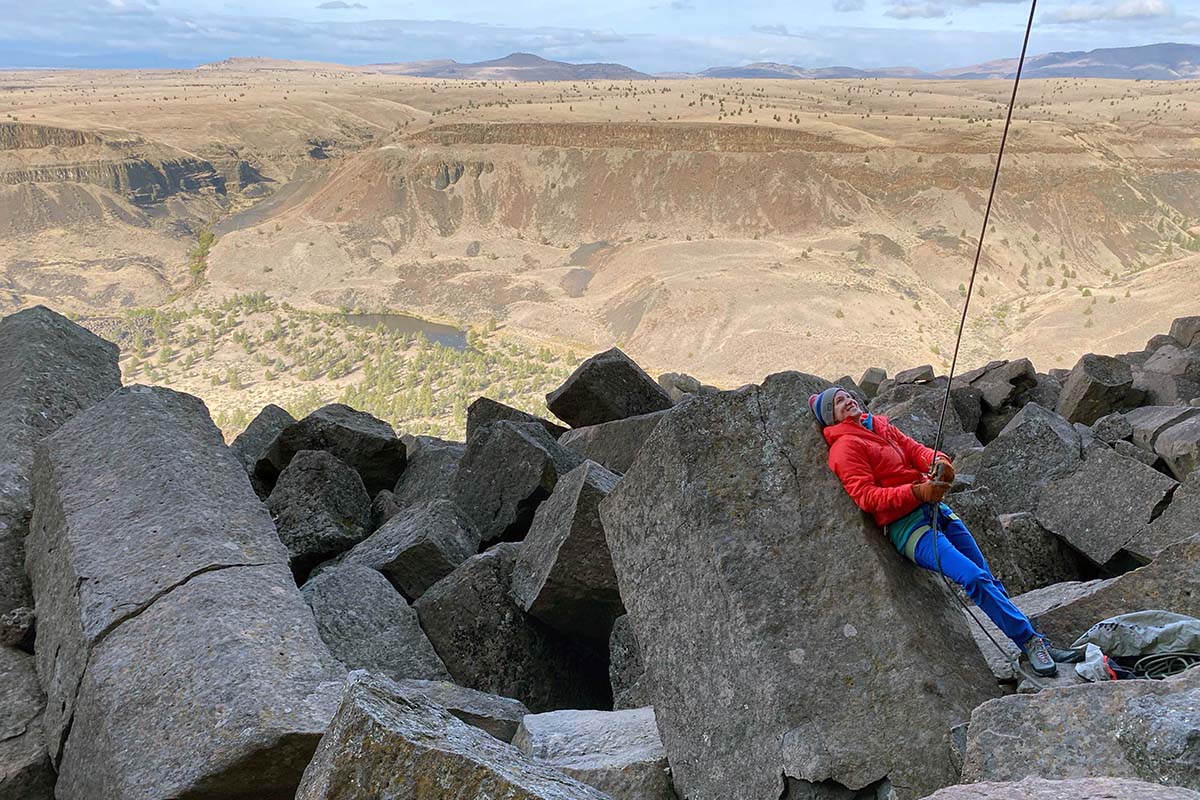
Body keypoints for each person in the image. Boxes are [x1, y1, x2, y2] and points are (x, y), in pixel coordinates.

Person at [808, 386, 1081, 677]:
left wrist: (939, 462)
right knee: (972, 577)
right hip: (908, 527)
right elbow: (867, 497)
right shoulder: (845, 448)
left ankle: (1033, 639)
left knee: (985, 575)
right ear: (831, 417)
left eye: (848, 396)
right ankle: (1029, 642)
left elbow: (915, 451)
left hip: (937, 512)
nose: (848, 400)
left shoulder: (879, 425)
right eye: (839, 402)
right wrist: (917, 491)